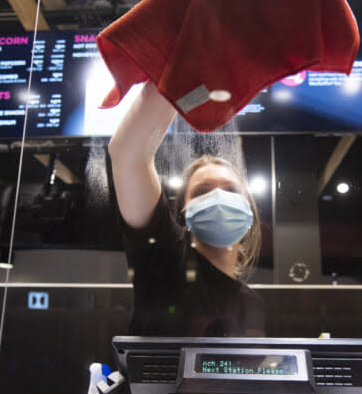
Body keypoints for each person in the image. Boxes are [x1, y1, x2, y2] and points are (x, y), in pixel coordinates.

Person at [107, 82, 264, 337]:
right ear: (185, 214)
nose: (219, 197)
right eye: (202, 191)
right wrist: (188, 81)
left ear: (249, 209)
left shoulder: (251, 302)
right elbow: (127, 153)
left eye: (231, 190)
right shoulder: (165, 259)